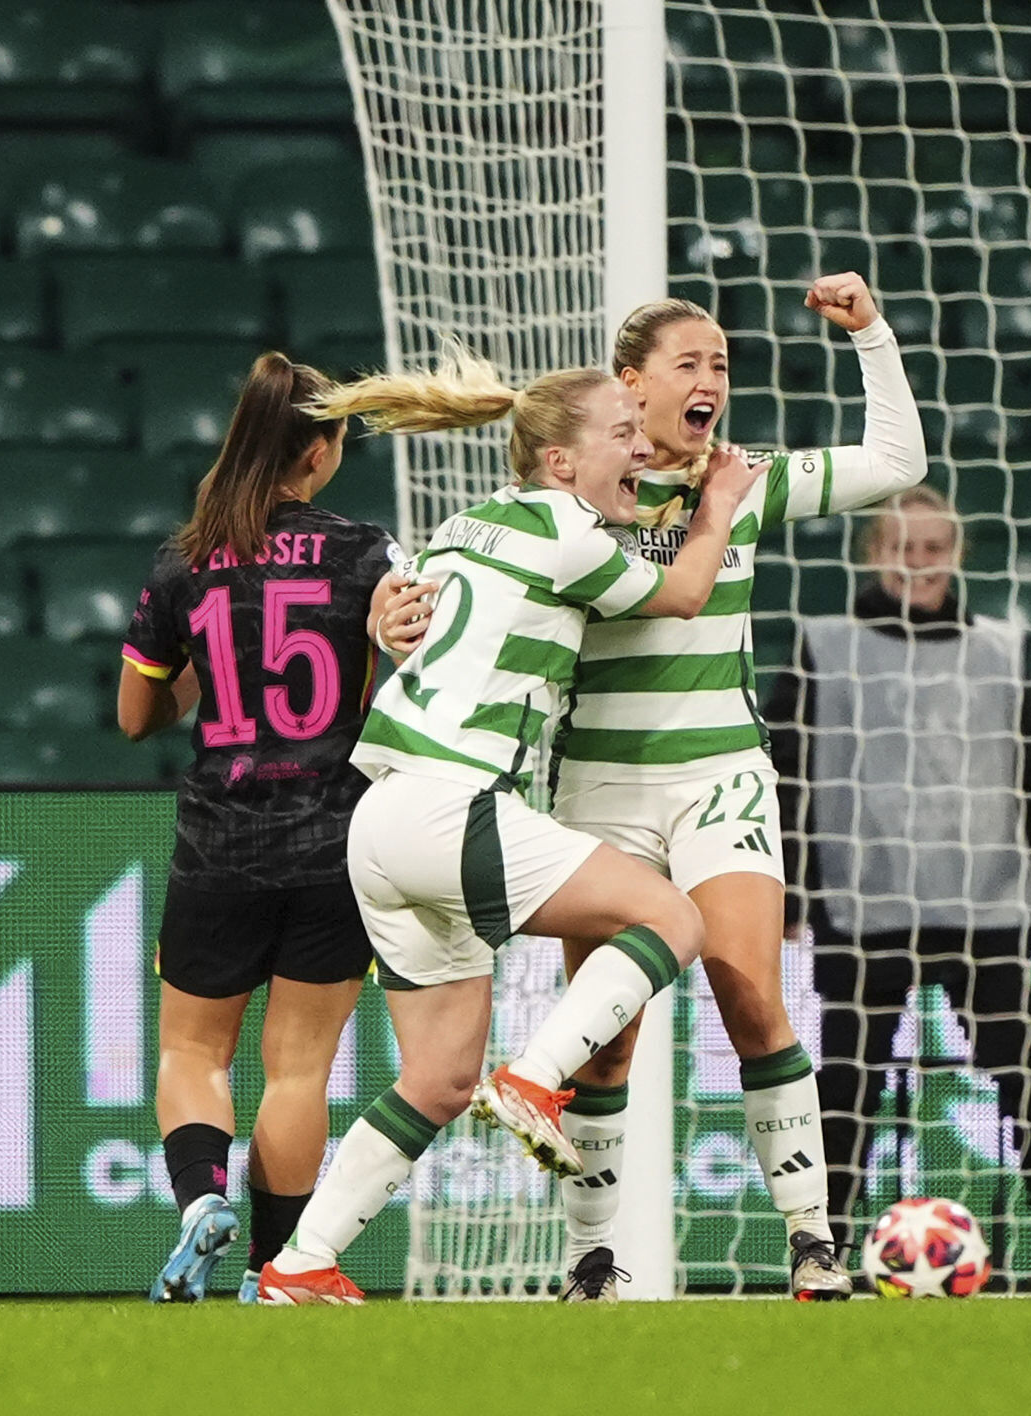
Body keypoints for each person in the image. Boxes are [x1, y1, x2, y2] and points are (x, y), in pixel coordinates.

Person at [251, 348, 759, 1304]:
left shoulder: (462, 525)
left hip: (383, 819)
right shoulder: (567, 528)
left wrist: (379, 627)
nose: (639, 446)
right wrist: (721, 500)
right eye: (621, 433)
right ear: (560, 462)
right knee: (672, 920)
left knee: (437, 1079)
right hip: (454, 799)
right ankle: (535, 1079)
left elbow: (408, 621)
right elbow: (685, 592)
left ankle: (300, 1261)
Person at [545, 271, 929, 1301]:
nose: (713, 377)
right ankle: (589, 1259)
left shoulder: (744, 477)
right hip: (602, 788)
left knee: (753, 996)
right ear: (631, 383)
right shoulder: (585, 491)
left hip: (720, 774)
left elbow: (898, 461)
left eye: (721, 363)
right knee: (606, 1037)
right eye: (690, 362)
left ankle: (812, 1240)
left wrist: (872, 335)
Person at [120, 351, 433, 1303]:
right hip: (334, 835)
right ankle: (276, 1266)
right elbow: (399, 677)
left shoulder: (185, 561)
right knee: (298, 1070)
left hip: (220, 835)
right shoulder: (366, 551)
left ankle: (199, 1199)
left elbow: (137, 716)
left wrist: (206, 668)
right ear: (323, 448)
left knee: (191, 1053)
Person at [765, 486, 1031, 1289]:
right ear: (874, 553)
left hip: (981, 902)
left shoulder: (999, 647)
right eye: (904, 548)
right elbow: (787, 772)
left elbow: (1026, 774)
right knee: (847, 1084)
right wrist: (791, 893)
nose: (919, 563)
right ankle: (823, 1252)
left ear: (957, 554)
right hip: (862, 903)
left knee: (1027, 1073)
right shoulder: (824, 644)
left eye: (934, 548)